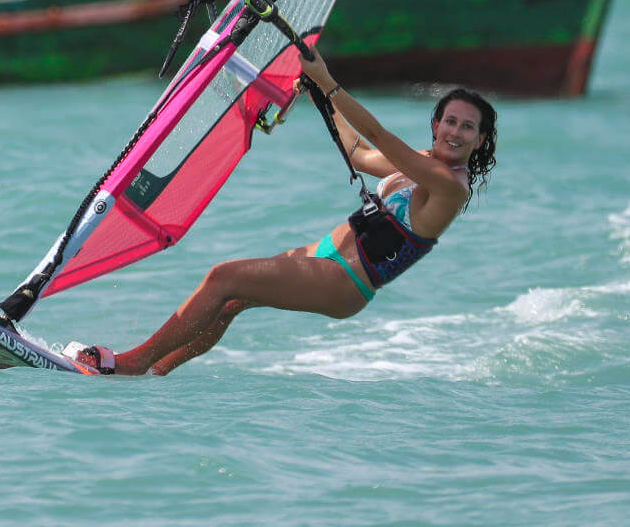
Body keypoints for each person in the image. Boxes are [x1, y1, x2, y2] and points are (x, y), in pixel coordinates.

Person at [63, 49, 497, 376]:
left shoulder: (449, 186)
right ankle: (156, 372)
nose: (455, 132)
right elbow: (359, 152)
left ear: (479, 141)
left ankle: (130, 364)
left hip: (347, 279)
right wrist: (318, 93)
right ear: (436, 123)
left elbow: (378, 135)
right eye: (450, 121)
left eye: (467, 127)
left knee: (223, 276)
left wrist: (326, 81)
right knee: (231, 301)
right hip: (327, 253)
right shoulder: (424, 161)